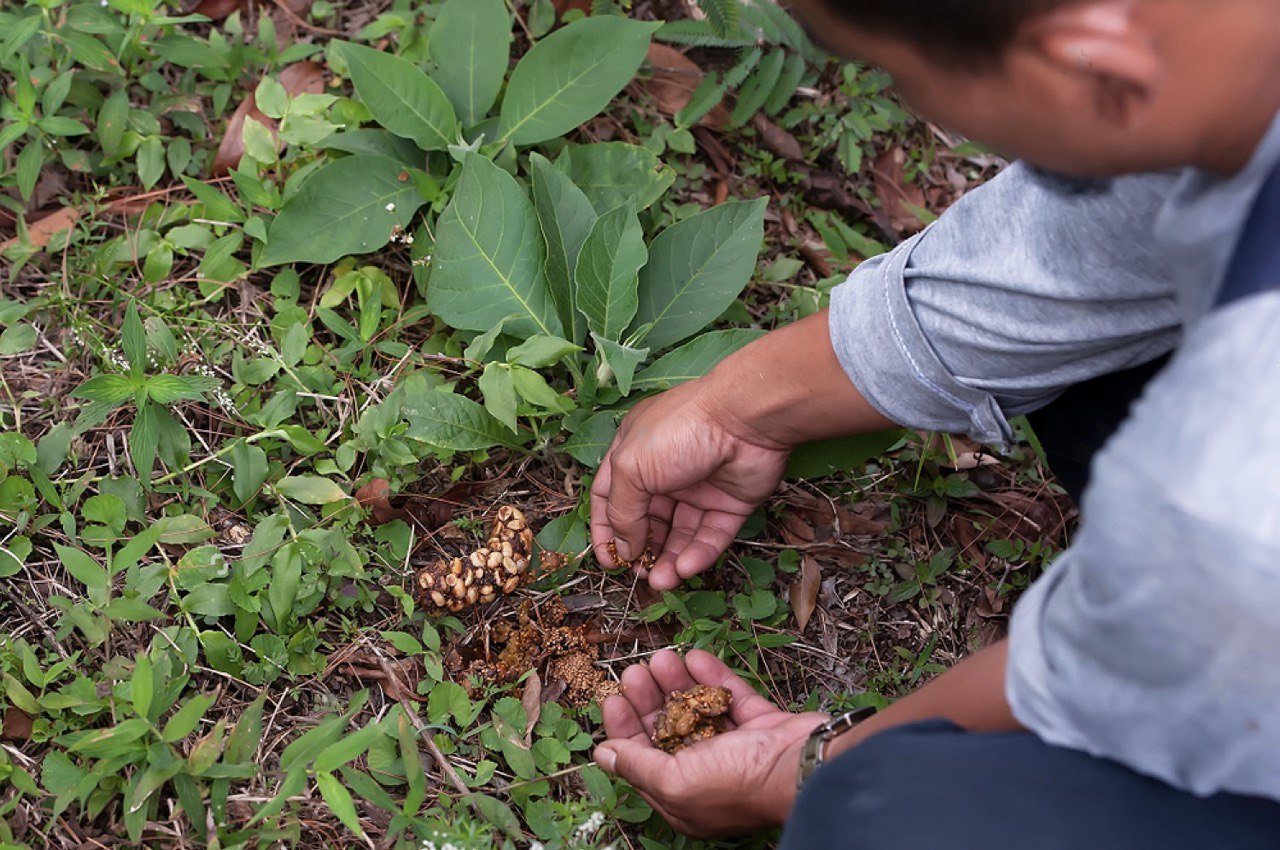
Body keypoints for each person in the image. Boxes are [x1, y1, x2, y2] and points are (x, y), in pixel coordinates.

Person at [587, 0, 1280, 846]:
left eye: (900, 79)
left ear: (1090, 65)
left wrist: (805, 770)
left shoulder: (1233, 488)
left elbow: (1104, 682)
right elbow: (1106, 233)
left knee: (890, 812)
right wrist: (743, 406)